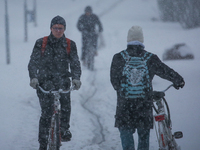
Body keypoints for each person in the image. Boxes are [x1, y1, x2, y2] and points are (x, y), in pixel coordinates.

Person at [110, 26, 185, 150]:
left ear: (128, 39)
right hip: (143, 105)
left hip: (124, 106)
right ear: (142, 40)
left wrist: (125, 92)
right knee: (143, 136)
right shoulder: (150, 58)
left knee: (126, 133)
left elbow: (114, 82)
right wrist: (178, 80)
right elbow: (165, 71)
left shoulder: (118, 58)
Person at [28, 15, 82, 150]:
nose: (58, 31)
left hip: (63, 80)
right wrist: (33, 77)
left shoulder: (70, 44)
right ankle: (43, 143)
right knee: (46, 113)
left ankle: (64, 130)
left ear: (64, 29)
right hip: (44, 82)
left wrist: (76, 78)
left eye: (61, 28)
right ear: (51, 28)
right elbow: (33, 62)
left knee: (66, 106)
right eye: (55, 28)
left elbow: (75, 63)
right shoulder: (41, 43)